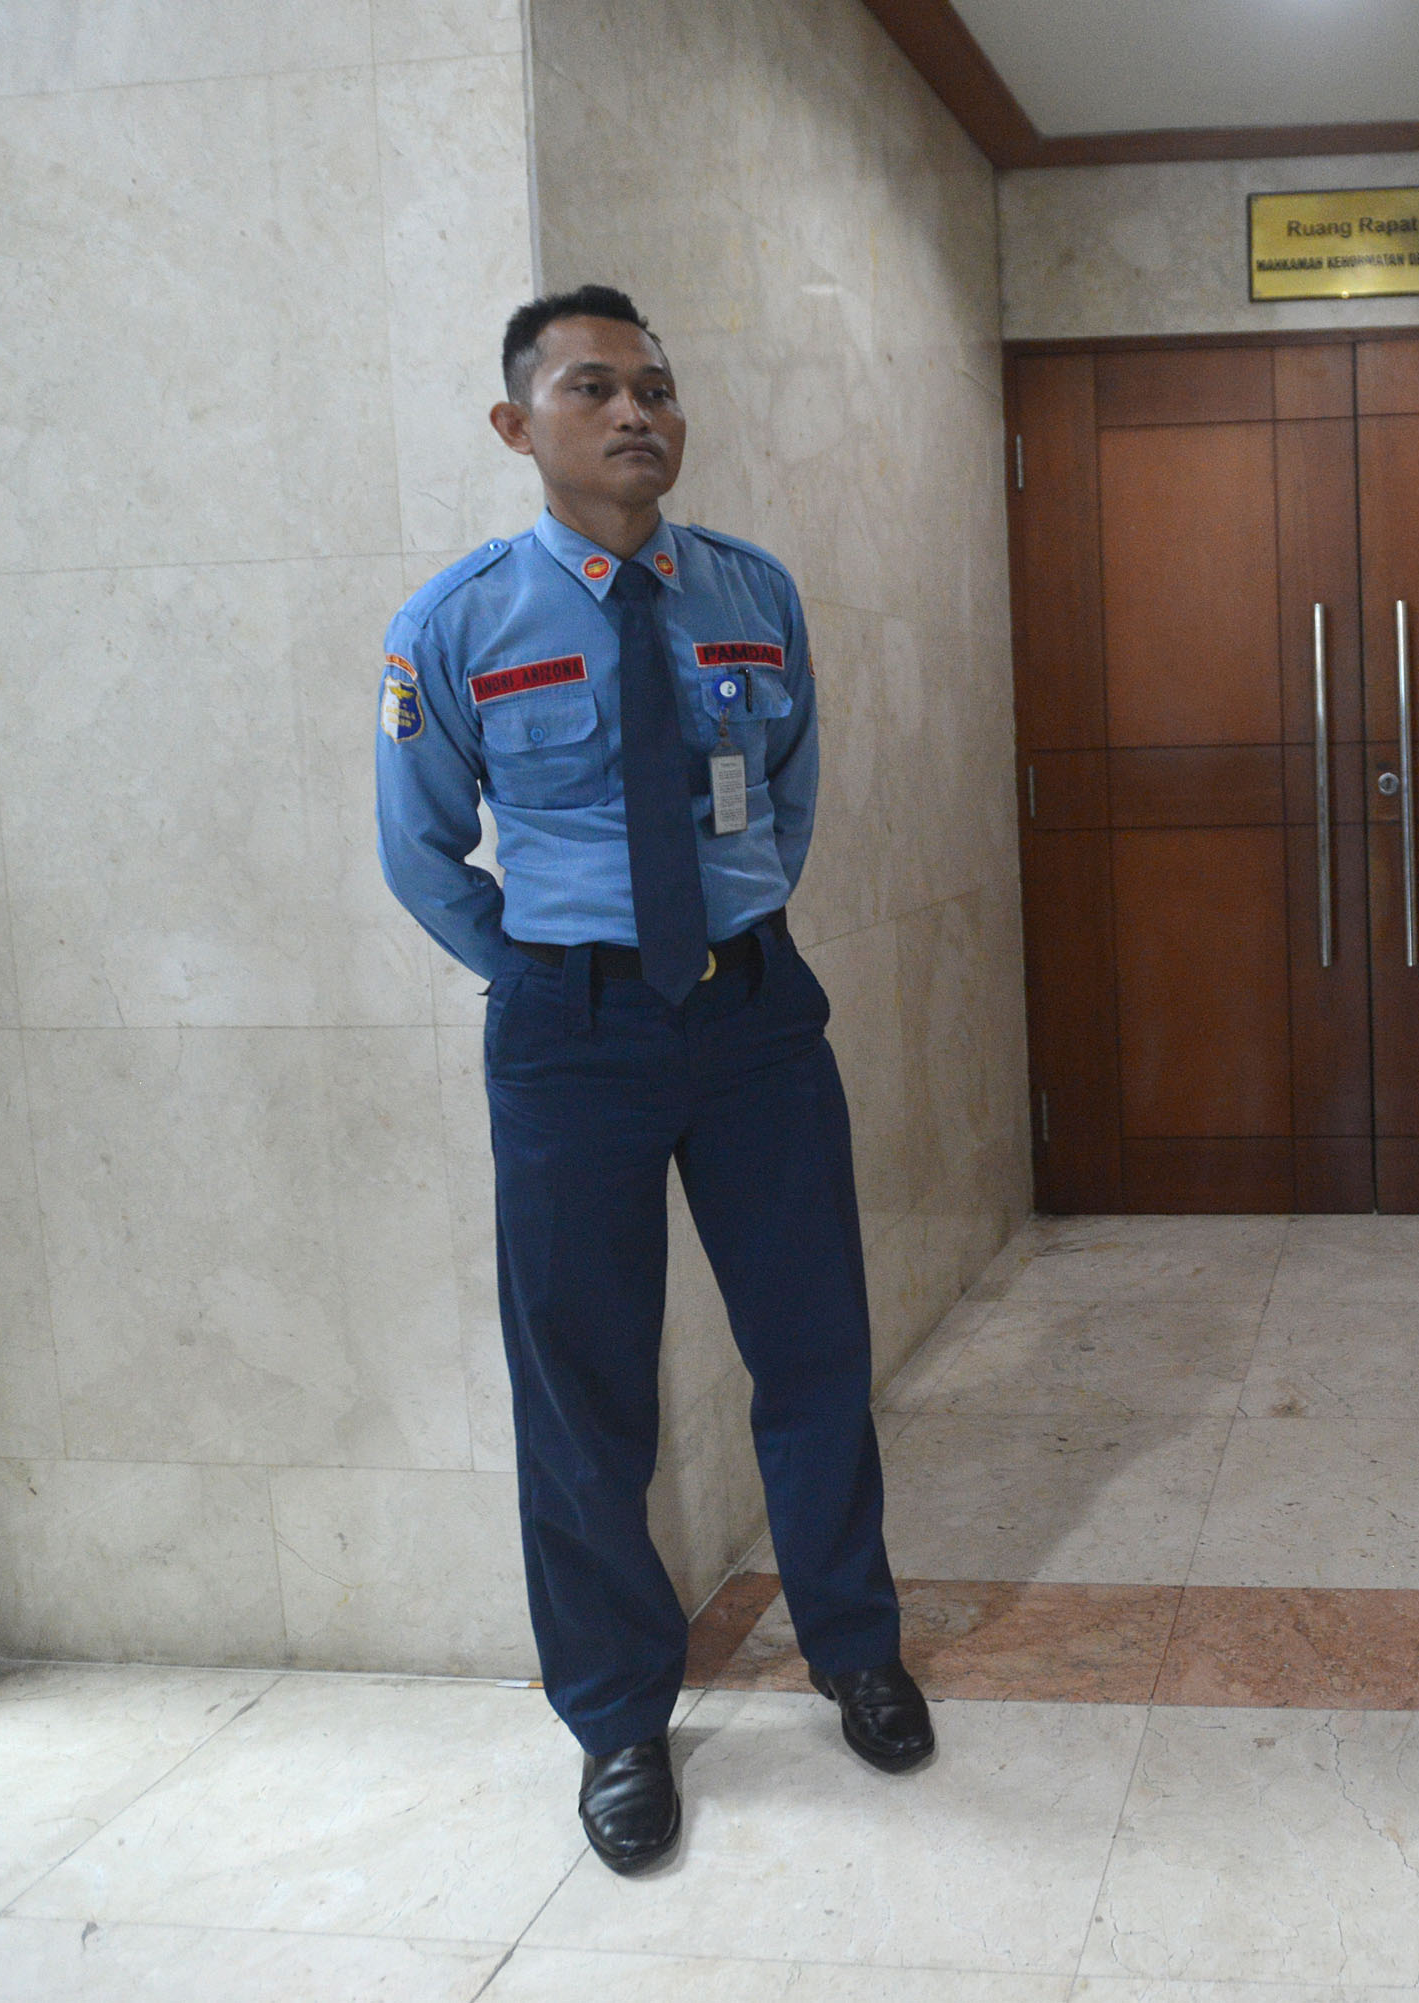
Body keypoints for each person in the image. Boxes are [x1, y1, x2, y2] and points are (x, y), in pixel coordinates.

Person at [375, 286, 931, 1875]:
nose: (637, 415)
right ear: (517, 427)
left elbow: (791, 788)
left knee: (815, 1350)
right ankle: (619, 1719)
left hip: (754, 1022)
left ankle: (854, 1645)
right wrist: (552, 964)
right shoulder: (459, 622)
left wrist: (722, 937)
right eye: (594, 389)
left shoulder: (752, 593)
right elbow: (419, 847)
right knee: (584, 1393)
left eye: (659, 388)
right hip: (570, 1040)